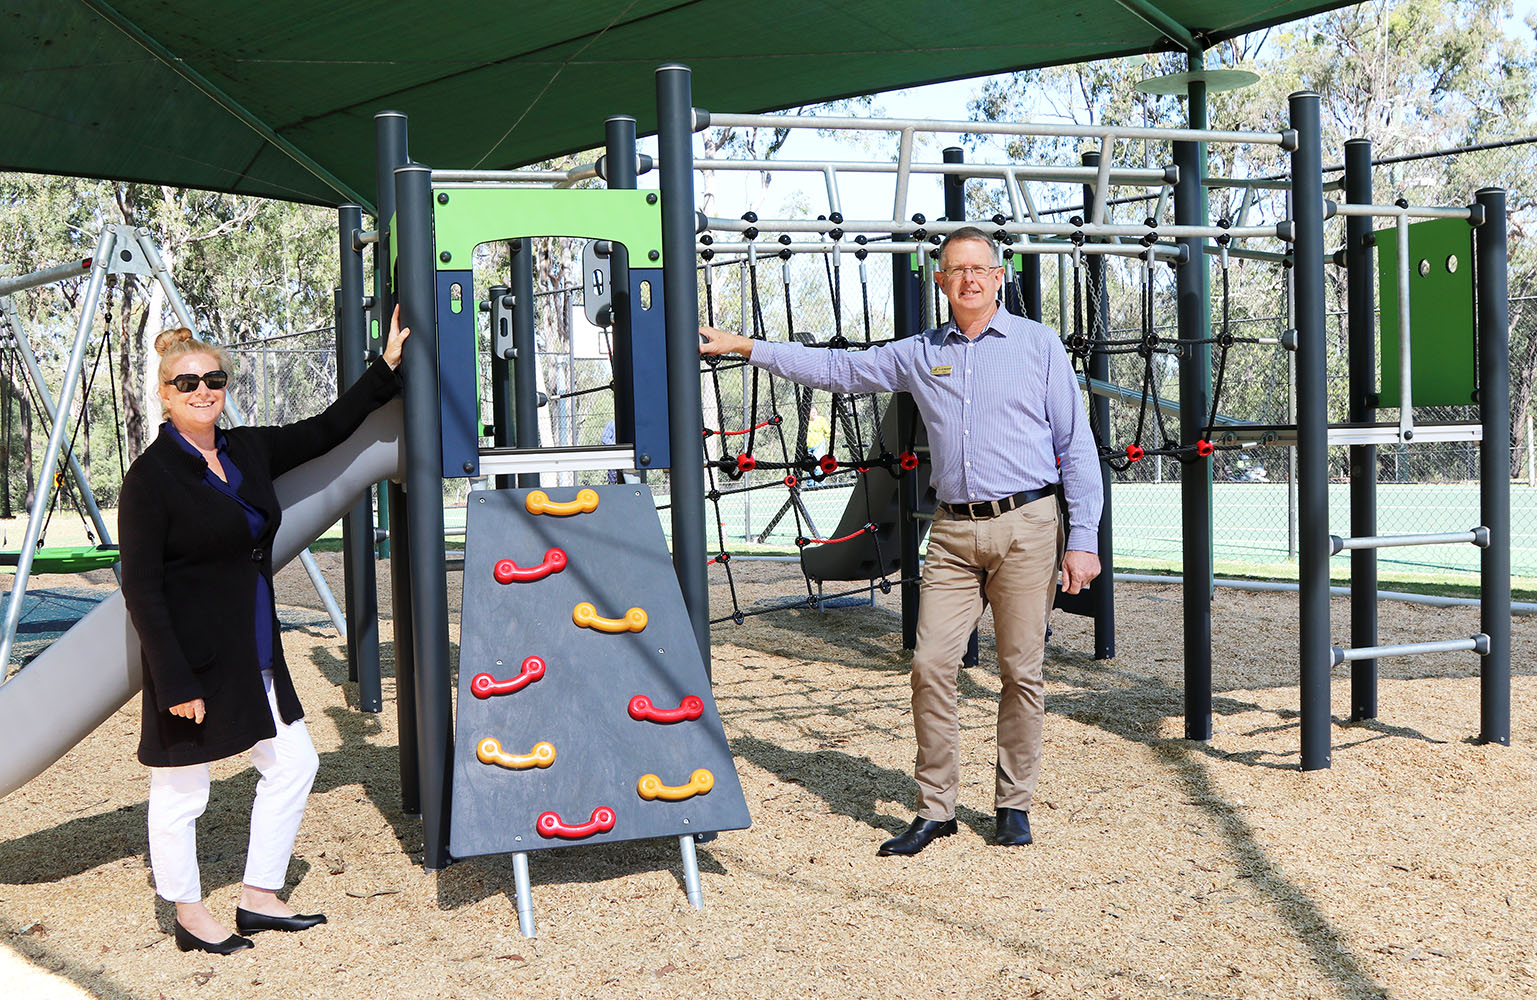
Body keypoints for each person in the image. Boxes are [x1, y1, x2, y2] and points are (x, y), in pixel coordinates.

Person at [700, 227, 1102, 857]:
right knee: (929, 664)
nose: (969, 278)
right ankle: (937, 809)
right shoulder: (920, 353)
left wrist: (1083, 538)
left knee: (1020, 671)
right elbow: (839, 369)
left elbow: (1077, 447)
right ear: (940, 282)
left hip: (1028, 524)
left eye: (980, 268)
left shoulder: (1038, 346)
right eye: (955, 269)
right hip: (952, 530)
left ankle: (1012, 803)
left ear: (999, 277)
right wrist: (747, 346)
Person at [120, 307, 409, 954]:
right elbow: (140, 586)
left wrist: (385, 369)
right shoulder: (150, 479)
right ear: (165, 396)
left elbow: (327, 429)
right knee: (181, 787)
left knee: (294, 762)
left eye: (213, 380)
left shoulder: (247, 449)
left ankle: (258, 898)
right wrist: (172, 678)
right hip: (191, 655)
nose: (203, 392)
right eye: (187, 383)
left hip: (253, 642)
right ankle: (190, 915)